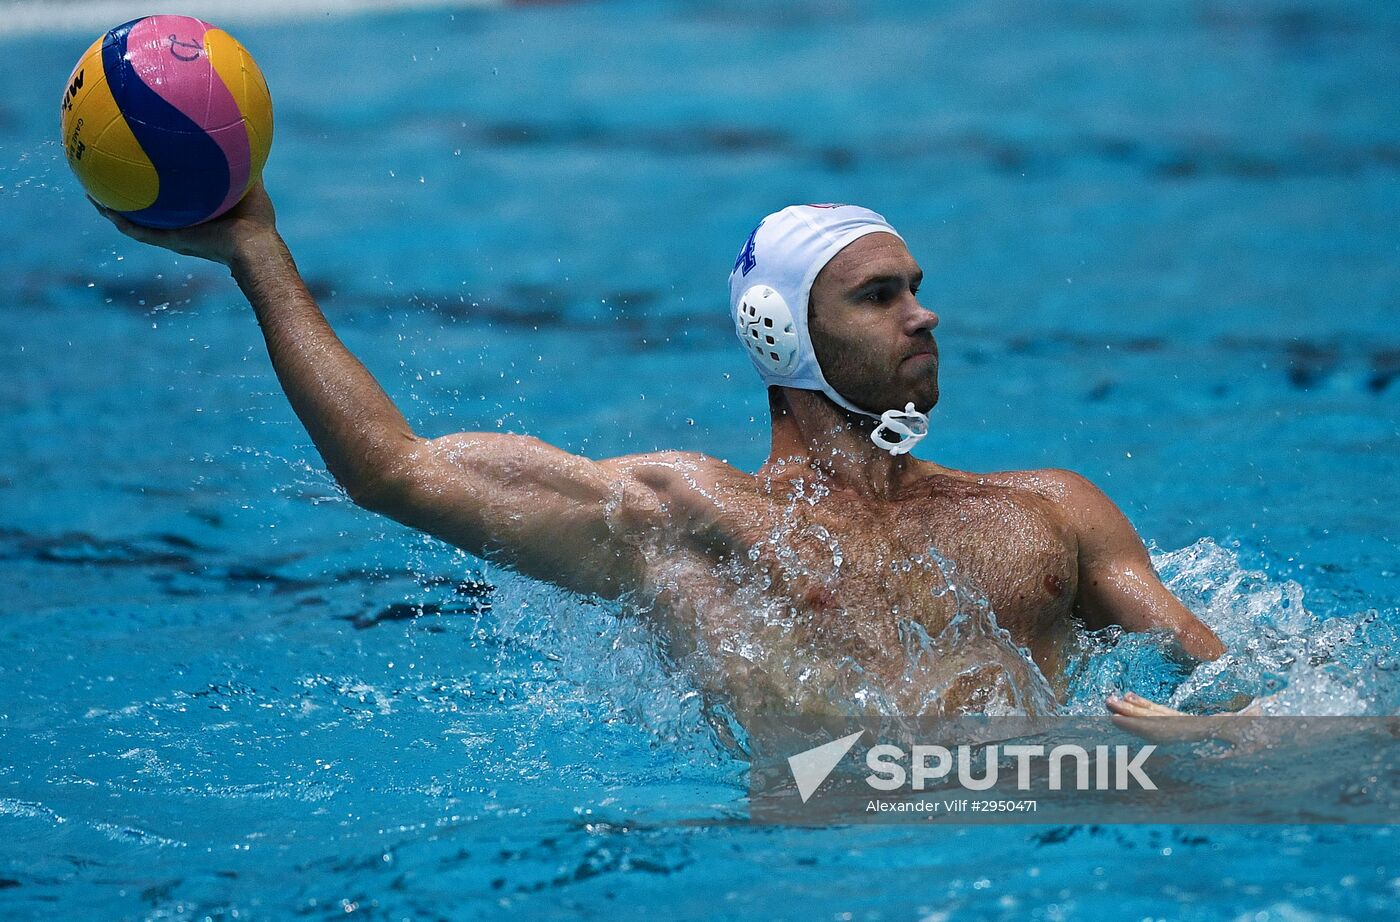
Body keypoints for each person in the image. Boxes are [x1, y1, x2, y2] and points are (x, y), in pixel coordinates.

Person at [92, 188, 1231, 723]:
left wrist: (1212, 743)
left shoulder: (1049, 510)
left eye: (918, 290)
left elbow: (1222, 679)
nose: (922, 315)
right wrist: (256, 251)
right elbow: (390, 468)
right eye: (880, 295)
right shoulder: (682, 517)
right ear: (781, 331)